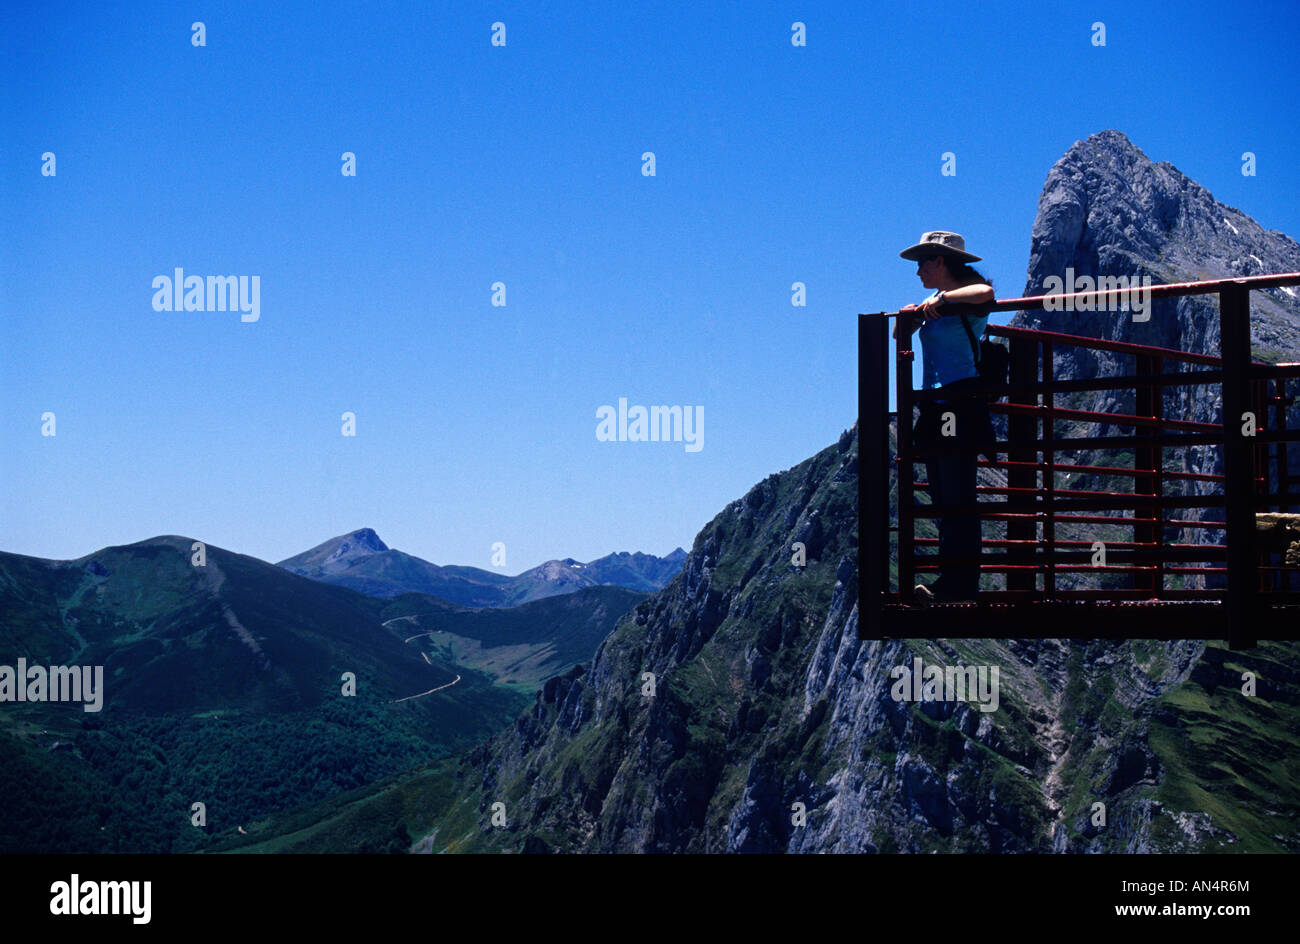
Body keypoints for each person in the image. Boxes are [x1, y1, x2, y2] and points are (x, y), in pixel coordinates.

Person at [893, 231, 995, 603]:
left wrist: (939, 302)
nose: (918, 269)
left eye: (923, 261)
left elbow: (985, 295)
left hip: (960, 400)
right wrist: (915, 311)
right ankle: (950, 582)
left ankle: (959, 585)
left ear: (940, 261)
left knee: (957, 497)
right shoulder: (932, 301)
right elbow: (897, 331)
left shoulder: (968, 295)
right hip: (935, 406)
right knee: (942, 497)